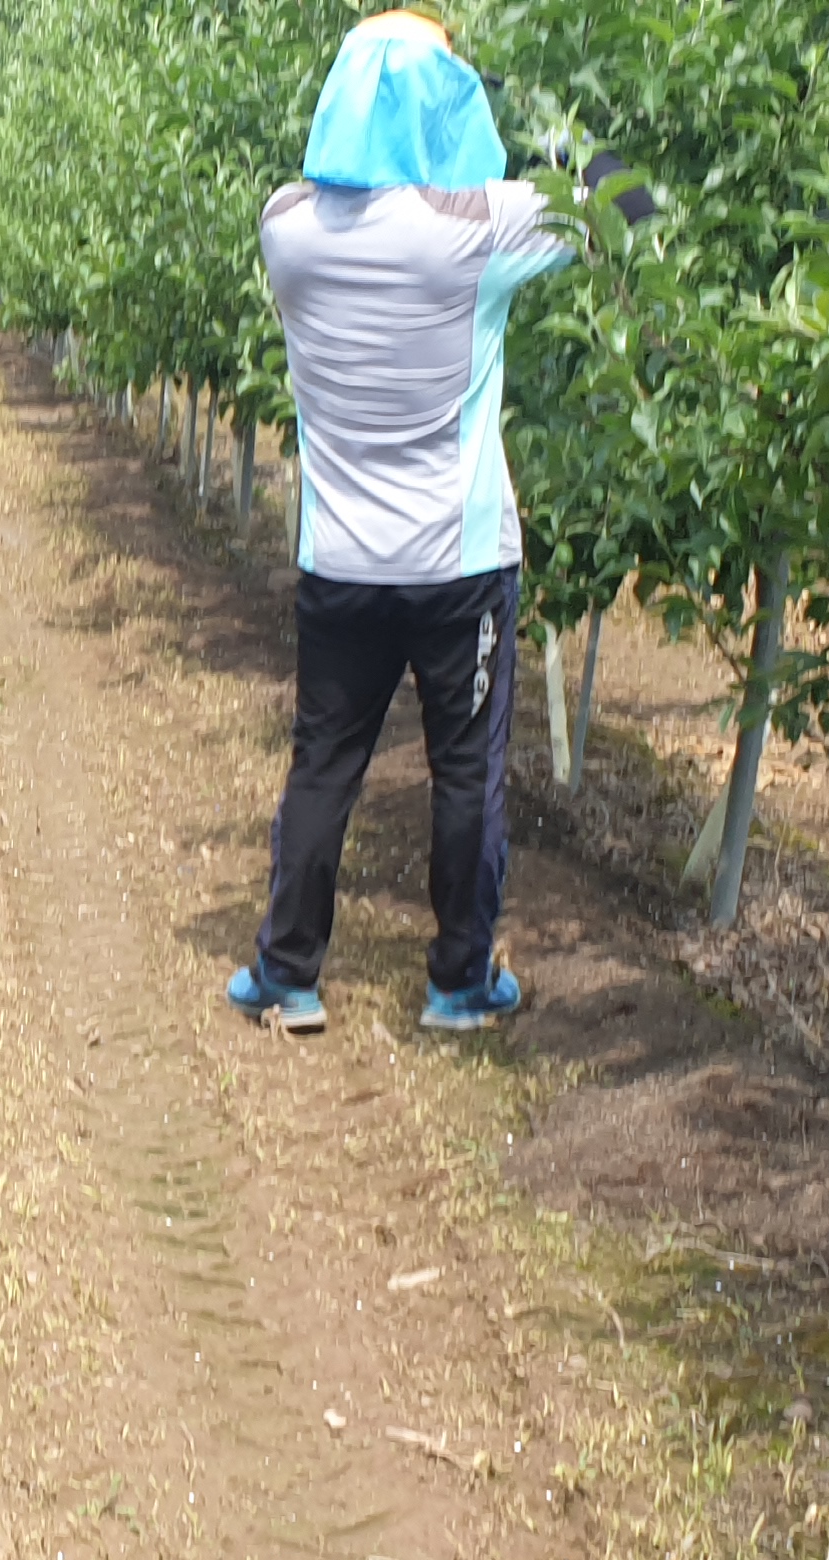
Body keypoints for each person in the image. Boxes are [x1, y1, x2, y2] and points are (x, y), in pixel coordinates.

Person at [231, 10, 567, 1038]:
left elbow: (342, 182)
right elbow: (625, 213)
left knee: (325, 757)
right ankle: (459, 981)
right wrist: (564, 135)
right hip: (458, 562)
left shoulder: (287, 226)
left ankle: (287, 972)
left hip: (340, 556)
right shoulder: (482, 228)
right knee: (465, 770)